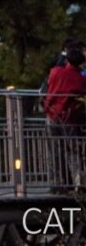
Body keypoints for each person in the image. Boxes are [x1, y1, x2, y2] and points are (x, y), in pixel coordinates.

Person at [44, 46, 86, 192]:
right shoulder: (81, 78)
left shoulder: (55, 72)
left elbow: (49, 90)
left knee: (55, 150)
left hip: (53, 114)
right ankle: (79, 183)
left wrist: (46, 107)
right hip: (71, 118)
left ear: (67, 60)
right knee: (74, 150)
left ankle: (59, 183)